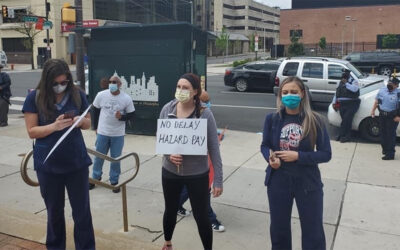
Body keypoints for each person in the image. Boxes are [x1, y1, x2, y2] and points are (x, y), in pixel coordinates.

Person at [22, 59, 95, 250]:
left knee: (82, 213)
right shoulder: (34, 98)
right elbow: (32, 131)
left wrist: (80, 121)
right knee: (54, 212)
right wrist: (53, 126)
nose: (60, 87)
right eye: (55, 83)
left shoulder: (77, 94)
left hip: (76, 162)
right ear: (47, 81)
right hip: (48, 165)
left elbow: (89, 123)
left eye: (64, 82)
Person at [261, 76, 331, 250]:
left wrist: (298, 156)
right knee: (279, 230)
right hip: (278, 181)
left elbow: (325, 154)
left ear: (302, 94)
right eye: (285, 92)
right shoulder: (272, 119)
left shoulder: (315, 120)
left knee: (313, 231)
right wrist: (271, 158)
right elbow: (265, 145)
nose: (289, 95)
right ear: (280, 95)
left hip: (307, 182)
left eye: (293, 92)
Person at [159, 73, 223, 250]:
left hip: (197, 174)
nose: (180, 90)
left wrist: (218, 179)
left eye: (185, 88)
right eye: (178, 86)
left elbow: (214, 148)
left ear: (195, 91)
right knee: (170, 209)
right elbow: (161, 139)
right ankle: (167, 242)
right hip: (170, 172)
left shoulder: (205, 114)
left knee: (201, 215)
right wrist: (168, 154)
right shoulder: (167, 109)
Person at [177, 90, 225, 233]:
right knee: (202, 192)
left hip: (203, 162)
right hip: (191, 163)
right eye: (204, 101)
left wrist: (215, 138)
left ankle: (176, 206)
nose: (206, 104)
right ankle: (211, 219)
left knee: (190, 189)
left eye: (208, 101)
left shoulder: (206, 114)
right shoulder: (182, 115)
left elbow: (211, 140)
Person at [89, 75, 135, 193]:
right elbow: (95, 109)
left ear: (120, 84)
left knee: (115, 158)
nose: (111, 84)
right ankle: (95, 178)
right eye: (110, 82)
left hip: (117, 134)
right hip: (103, 132)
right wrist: (95, 126)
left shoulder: (126, 98)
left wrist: (122, 117)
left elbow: (131, 114)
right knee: (99, 156)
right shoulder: (101, 95)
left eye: (114, 82)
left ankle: (114, 181)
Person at [370, 76, 400, 160]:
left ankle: (390, 154)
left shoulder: (398, 93)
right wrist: (373, 111)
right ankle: (385, 149)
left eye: (392, 84)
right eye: (389, 83)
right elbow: (377, 101)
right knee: (383, 134)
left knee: (390, 135)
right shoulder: (382, 90)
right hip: (382, 115)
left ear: (396, 86)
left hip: (392, 117)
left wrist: (398, 116)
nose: (390, 85)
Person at [334, 69, 360, 142]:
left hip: (352, 103)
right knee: (344, 120)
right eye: (343, 74)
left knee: (347, 120)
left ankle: (346, 136)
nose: (344, 76)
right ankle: (342, 134)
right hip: (342, 104)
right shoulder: (340, 82)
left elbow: (354, 89)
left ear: (349, 74)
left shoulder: (354, 81)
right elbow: (337, 93)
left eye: (345, 74)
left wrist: (346, 83)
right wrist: (334, 102)